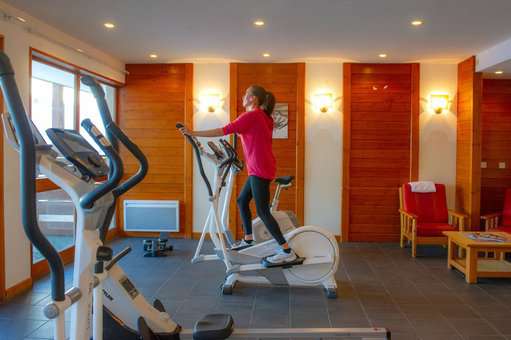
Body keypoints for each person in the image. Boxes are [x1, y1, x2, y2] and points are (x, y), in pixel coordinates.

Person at [178, 85, 297, 266]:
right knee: (242, 200)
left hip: (260, 169)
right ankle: (249, 238)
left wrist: (193, 132)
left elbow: (223, 130)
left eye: (246, 94)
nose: (243, 96)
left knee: (263, 212)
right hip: (260, 167)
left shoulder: (252, 115)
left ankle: (287, 251)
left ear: (253, 99)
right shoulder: (264, 117)